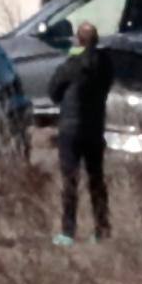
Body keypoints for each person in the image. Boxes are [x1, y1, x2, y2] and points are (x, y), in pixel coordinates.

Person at [47, 22, 114, 247]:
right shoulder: (105, 65)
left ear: (78, 40)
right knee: (96, 179)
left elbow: (53, 92)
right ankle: (102, 228)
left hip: (70, 129)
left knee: (70, 180)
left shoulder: (70, 65)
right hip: (95, 128)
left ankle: (68, 231)